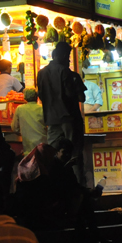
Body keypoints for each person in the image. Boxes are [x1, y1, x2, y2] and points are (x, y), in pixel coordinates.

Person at [37, 41, 87, 185]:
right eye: (69, 56)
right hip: (68, 118)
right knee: (74, 153)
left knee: (53, 154)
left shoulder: (41, 73)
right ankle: (77, 186)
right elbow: (76, 96)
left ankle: (54, 184)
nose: (69, 59)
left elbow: (41, 95)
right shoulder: (66, 72)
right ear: (64, 55)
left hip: (51, 119)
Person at [12, 87, 46, 155]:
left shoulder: (20, 109)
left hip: (28, 149)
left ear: (25, 98)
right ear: (37, 96)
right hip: (43, 145)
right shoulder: (42, 108)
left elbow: (14, 128)